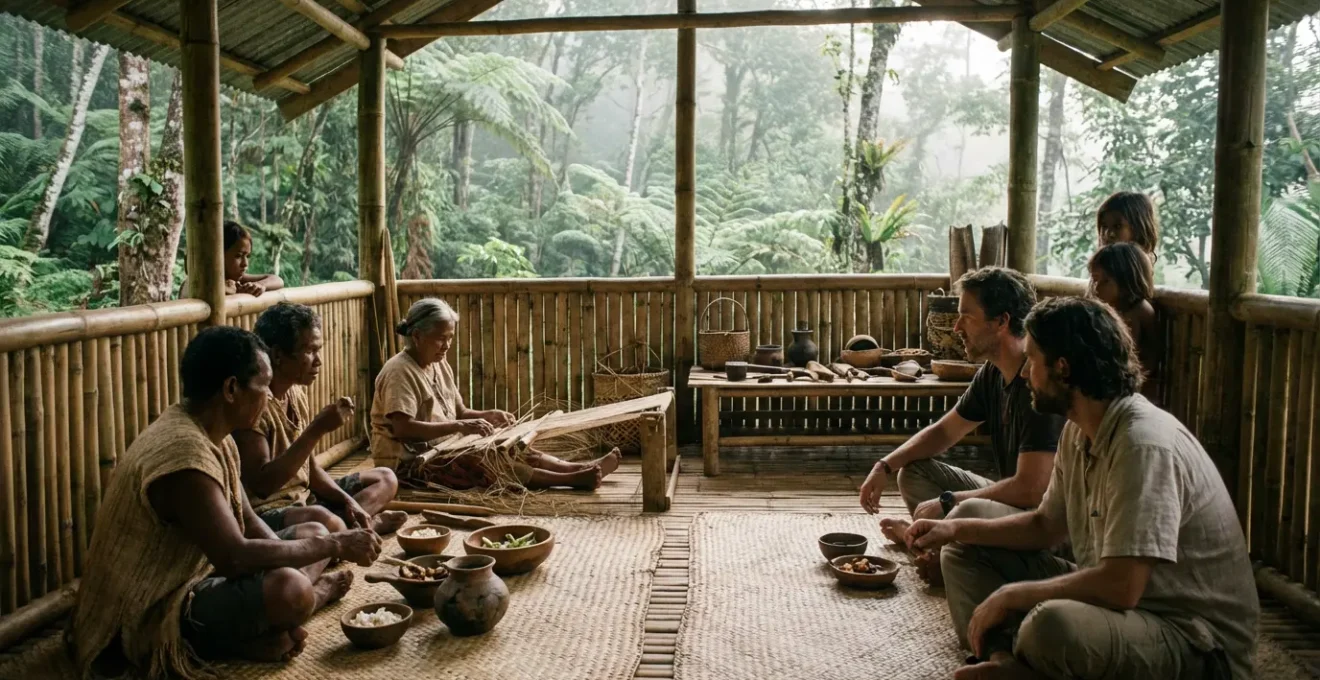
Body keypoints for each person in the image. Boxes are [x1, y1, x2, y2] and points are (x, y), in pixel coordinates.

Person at [906, 297, 1258, 680]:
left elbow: (1121, 586)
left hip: (1194, 640)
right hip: (1129, 614)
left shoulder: (1142, 443)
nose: (1025, 374)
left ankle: (1025, 665)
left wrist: (1012, 594)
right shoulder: (1079, 428)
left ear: (1063, 368)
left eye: (1033, 361)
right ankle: (1003, 660)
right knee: (965, 535)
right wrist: (954, 528)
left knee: (1051, 626)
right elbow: (1045, 526)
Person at [68, 327, 382, 679]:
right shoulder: (183, 455)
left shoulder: (215, 435)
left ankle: (270, 623)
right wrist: (334, 544)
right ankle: (281, 612)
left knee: (308, 539)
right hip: (154, 607)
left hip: (198, 572)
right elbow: (234, 557)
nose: (268, 398)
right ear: (232, 389)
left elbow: (246, 518)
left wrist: (302, 553)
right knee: (292, 590)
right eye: (264, 387)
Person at [858, 267, 1065, 581]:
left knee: (966, 509)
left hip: (1042, 524)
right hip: (1013, 501)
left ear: (1001, 322)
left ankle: (941, 551)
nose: (956, 327)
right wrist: (884, 465)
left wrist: (947, 502)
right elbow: (944, 431)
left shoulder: (1036, 383)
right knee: (913, 471)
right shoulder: (993, 372)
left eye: (966, 316)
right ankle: (934, 546)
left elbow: (1032, 490)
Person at [370, 297, 621, 490]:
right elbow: (403, 429)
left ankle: (578, 468)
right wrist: (460, 426)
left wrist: (488, 416)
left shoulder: (437, 362)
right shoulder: (399, 371)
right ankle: (572, 480)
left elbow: (460, 412)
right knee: (484, 461)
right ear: (416, 336)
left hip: (445, 447)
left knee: (507, 445)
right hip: (409, 465)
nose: (446, 345)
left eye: (450, 338)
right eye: (440, 338)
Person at [236, 302, 408, 537]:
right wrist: (317, 429)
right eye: (309, 351)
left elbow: (309, 468)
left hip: (305, 499)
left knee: (386, 477)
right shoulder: (254, 406)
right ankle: (352, 531)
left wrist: (349, 501)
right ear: (277, 355)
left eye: (318, 350)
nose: (318, 361)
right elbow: (263, 487)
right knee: (322, 520)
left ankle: (350, 527)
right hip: (267, 513)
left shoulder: (295, 392)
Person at [1089, 243, 1161, 401]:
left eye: (1105, 281)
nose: (1096, 287)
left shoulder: (1139, 311)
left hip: (1132, 393)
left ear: (1127, 280)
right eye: (1095, 280)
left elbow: (1145, 361)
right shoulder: (1108, 311)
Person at [223, 220, 284, 296]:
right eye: (238, 256)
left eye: (247, 256)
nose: (245, 264)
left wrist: (259, 285)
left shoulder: (238, 279)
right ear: (220, 254)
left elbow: (277, 280)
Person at [1096, 190, 1160, 259]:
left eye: (1117, 226)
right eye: (1104, 226)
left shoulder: (1139, 267)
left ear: (1138, 229)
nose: (1107, 234)